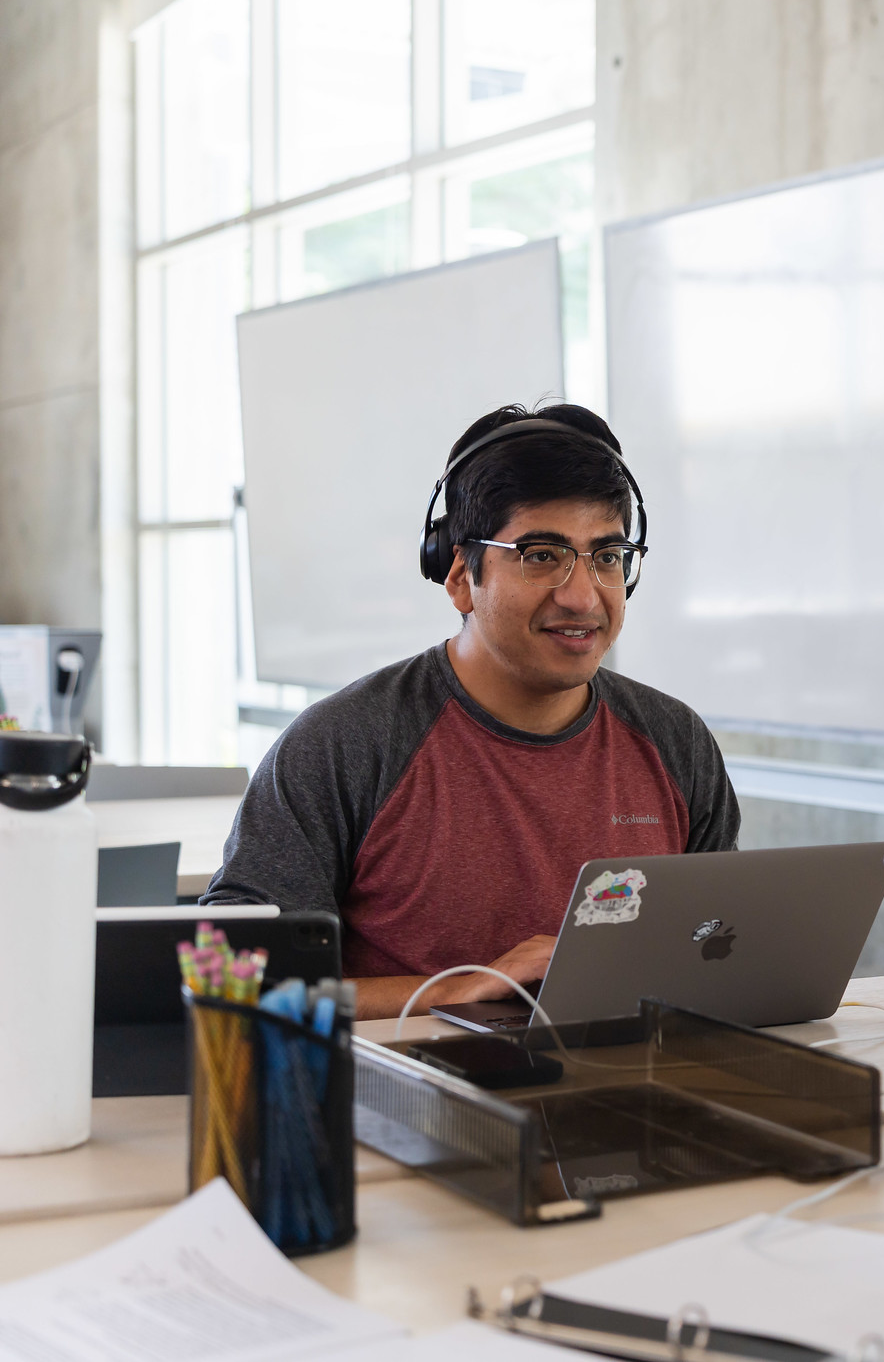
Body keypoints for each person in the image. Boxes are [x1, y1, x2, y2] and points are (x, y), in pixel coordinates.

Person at [204, 404, 740, 1020]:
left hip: (629, 1092)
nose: (582, 595)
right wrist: (451, 990)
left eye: (607, 557)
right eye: (542, 555)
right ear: (461, 575)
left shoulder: (676, 744)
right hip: (403, 1103)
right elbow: (230, 981)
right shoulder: (345, 745)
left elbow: (713, 954)